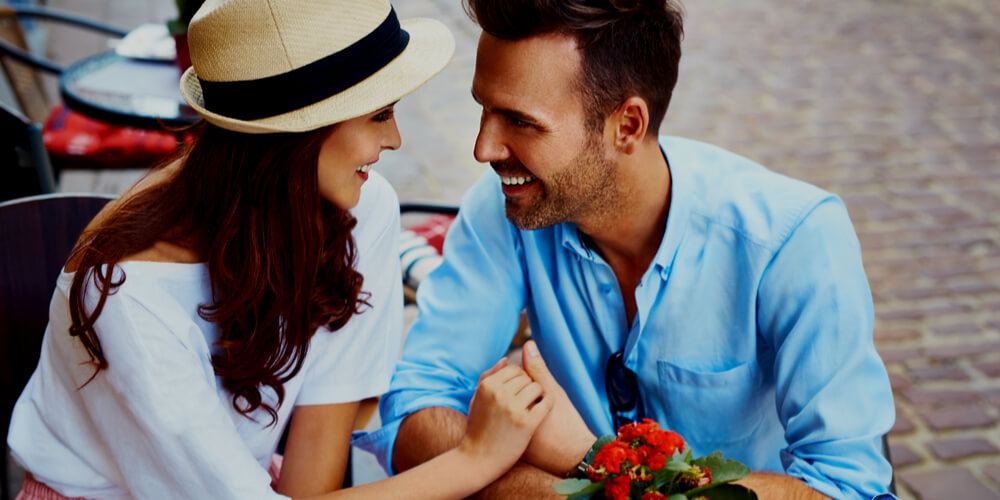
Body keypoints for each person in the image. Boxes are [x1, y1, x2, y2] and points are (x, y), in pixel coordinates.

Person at [6, 1, 553, 499]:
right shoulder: (128, 298)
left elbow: (308, 481)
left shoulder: (361, 209)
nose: (396, 141)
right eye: (379, 115)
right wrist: (475, 459)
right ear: (299, 136)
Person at [354, 0, 896, 498]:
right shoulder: (502, 210)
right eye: (485, 110)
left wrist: (586, 461)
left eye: (520, 121)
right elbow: (412, 408)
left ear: (627, 125)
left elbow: (847, 489)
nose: (484, 148)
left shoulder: (792, 240)